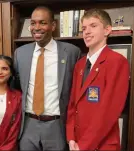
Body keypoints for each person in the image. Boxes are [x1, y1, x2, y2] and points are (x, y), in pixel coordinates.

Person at [14, 6, 81, 151]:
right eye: (33, 23)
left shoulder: (71, 52)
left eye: (42, 23)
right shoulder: (20, 53)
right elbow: (14, 85)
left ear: (53, 25)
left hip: (57, 126)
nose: (36, 28)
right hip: (28, 126)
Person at [66, 9, 130, 151]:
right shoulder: (80, 65)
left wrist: (83, 146)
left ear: (107, 30)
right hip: (76, 143)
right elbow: (72, 105)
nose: (86, 32)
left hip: (101, 145)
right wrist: (71, 138)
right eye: (84, 28)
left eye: (93, 26)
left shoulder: (117, 62)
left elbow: (109, 111)